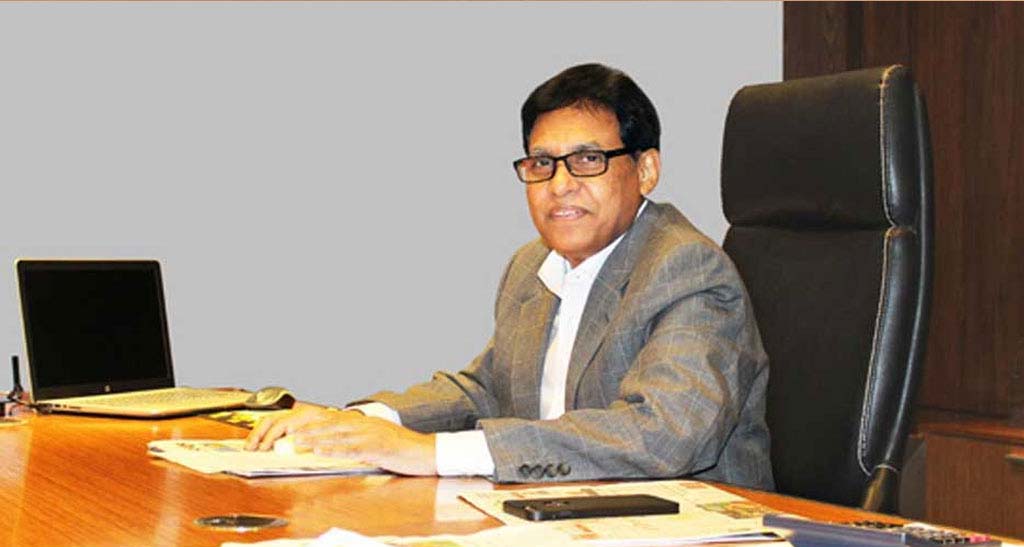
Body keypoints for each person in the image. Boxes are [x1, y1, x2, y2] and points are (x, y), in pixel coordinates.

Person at [246, 63, 774, 489]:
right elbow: (488, 390)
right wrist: (364, 422)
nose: (560, 184)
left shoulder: (686, 268)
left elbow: (663, 433)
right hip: (562, 513)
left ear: (646, 170)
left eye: (587, 159)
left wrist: (433, 453)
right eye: (542, 164)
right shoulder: (533, 265)